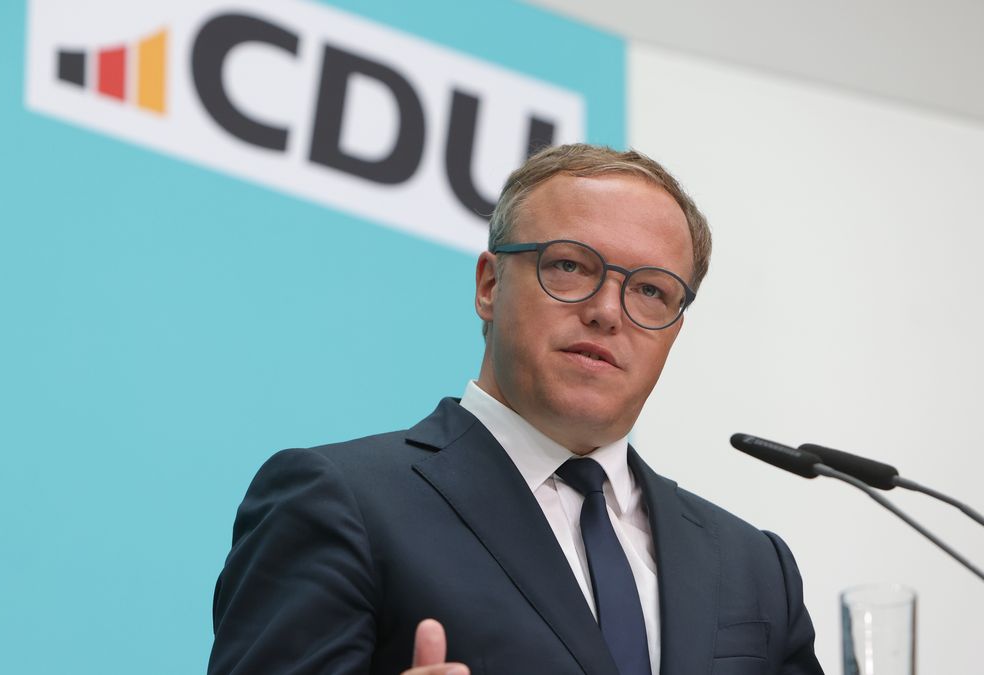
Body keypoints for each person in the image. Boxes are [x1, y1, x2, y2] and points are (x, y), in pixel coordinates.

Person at [208, 144, 824, 675]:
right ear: (488, 285)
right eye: (569, 266)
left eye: (650, 289)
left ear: (675, 330)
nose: (608, 310)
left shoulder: (753, 564)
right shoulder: (339, 501)